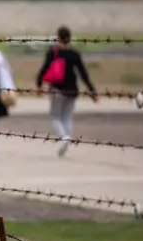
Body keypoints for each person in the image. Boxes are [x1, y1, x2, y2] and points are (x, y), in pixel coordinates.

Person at [36, 25, 98, 157]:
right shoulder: (74, 54)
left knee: (55, 116)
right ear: (70, 38)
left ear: (58, 38)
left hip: (58, 89)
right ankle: (66, 140)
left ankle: (64, 138)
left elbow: (44, 69)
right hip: (72, 90)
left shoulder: (53, 52)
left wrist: (39, 84)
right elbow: (83, 74)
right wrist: (92, 90)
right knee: (67, 117)